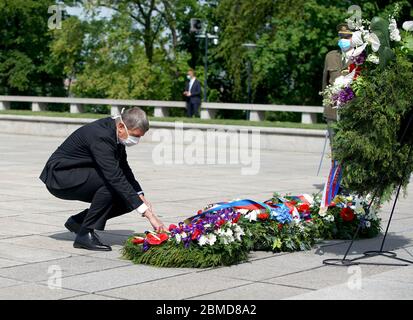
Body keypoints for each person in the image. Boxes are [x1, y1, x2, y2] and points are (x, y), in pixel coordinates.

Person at [39, 107, 166, 251]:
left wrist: (139, 194)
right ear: (121, 126)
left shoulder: (116, 132)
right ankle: (84, 234)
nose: (137, 140)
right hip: (61, 176)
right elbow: (114, 176)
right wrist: (149, 215)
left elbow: (123, 167)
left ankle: (78, 222)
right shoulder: (101, 135)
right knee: (112, 185)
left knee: (129, 200)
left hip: (79, 173)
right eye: (135, 135)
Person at [322, 23, 354, 149]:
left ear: (353, 38)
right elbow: (324, 83)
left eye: (347, 37)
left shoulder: (360, 57)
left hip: (351, 112)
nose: (343, 40)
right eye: (341, 36)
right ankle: (334, 169)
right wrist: (326, 105)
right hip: (332, 111)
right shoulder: (330, 56)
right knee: (334, 149)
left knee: (349, 150)